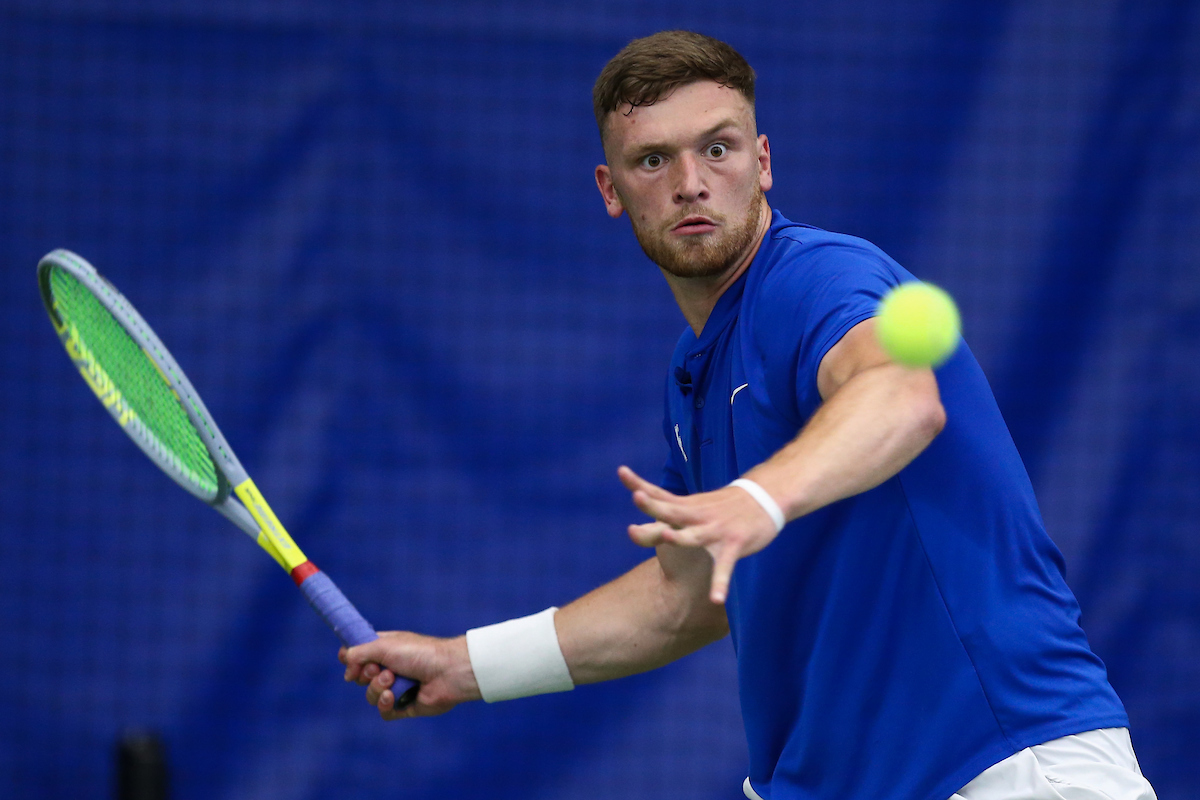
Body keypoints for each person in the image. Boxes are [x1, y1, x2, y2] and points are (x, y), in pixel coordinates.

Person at [341, 30, 1156, 800]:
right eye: (653, 159)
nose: (691, 182)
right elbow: (684, 600)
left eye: (718, 149)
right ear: (611, 189)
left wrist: (756, 499)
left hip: (1004, 766)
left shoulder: (817, 279)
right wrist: (465, 664)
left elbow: (903, 396)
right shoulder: (693, 376)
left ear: (762, 162)